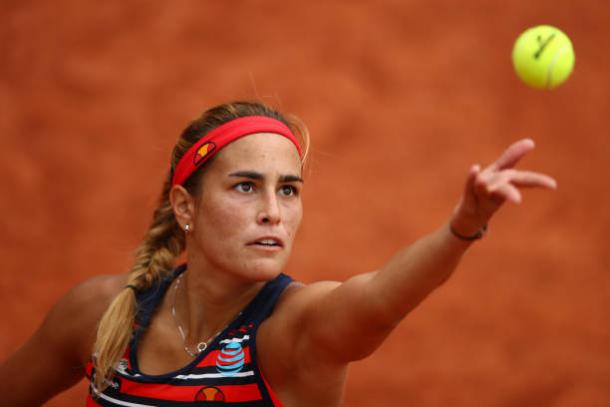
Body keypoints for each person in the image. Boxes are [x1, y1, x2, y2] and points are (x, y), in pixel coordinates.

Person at [0, 101, 557, 406]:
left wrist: (462, 226)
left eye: (288, 189)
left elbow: (382, 298)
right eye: (246, 186)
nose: (274, 211)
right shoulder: (100, 316)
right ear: (185, 207)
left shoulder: (291, 336)